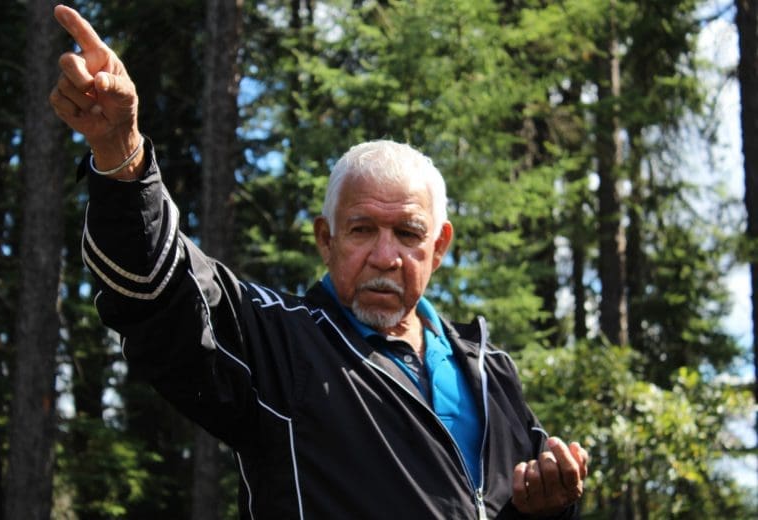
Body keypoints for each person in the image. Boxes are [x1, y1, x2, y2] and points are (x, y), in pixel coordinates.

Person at [49, 4, 588, 519]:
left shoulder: (490, 370)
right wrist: (122, 153)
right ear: (325, 240)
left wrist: (550, 506)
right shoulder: (277, 345)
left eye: (407, 233)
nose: (385, 255)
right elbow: (160, 287)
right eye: (361, 230)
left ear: (439, 247)